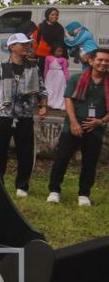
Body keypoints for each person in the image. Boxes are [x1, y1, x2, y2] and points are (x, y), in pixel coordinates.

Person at [47, 48, 109, 206]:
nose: (103, 63)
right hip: (73, 126)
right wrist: (74, 123)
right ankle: (54, 191)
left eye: (106, 61)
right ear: (91, 61)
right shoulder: (76, 78)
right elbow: (68, 101)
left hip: (95, 128)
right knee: (62, 159)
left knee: (90, 162)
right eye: (100, 60)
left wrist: (100, 121)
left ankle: (84, 194)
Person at [0, 33, 46, 198]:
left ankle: (22, 185)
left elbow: (42, 89)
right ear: (12, 47)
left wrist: (43, 105)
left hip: (25, 115)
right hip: (3, 115)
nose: (26, 47)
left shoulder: (33, 68)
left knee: (25, 152)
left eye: (27, 44)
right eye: (22, 44)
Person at [44, 46, 70, 111]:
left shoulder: (63, 59)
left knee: (58, 89)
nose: (60, 53)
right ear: (53, 51)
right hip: (50, 75)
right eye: (58, 51)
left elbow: (65, 69)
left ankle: (58, 103)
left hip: (59, 76)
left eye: (61, 51)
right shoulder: (48, 58)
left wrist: (67, 77)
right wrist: (45, 75)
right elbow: (46, 67)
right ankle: (49, 103)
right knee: (49, 88)